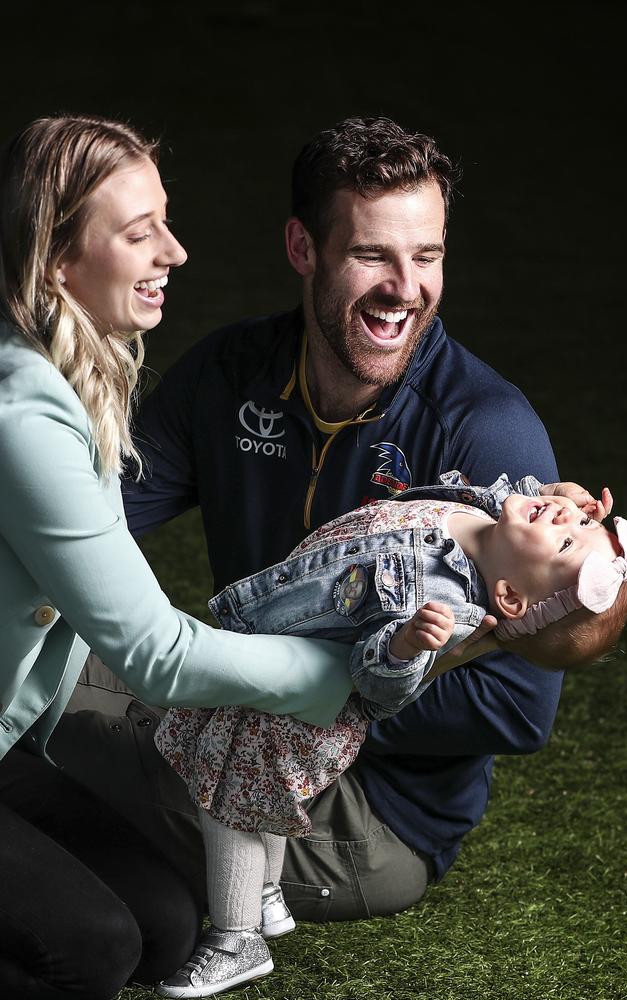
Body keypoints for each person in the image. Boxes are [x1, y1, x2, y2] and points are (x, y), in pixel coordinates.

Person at [52, 116, 569, 927]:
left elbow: (518, 708)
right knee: (42, 653)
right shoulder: (233, 371)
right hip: (235, 710)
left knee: (59, 735)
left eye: (427, 256)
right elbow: (85, 515)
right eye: (372, 254)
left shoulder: (487, 430)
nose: (406, 286)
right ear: (304, 249)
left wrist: (298, 693)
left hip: (371, 815)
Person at [0, 114, 358, 1000]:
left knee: (164, 928)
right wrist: (333, 675)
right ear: (54, 261)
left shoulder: (67, 365)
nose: (177, 251)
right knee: (89, 951)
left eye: (165, 219)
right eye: (139, 232)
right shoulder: (20, 415)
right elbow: (156, 654)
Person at [154, 470, 627, 997]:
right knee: (264, 802)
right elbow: (491, 499)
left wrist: (405, 649)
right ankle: (268, 893)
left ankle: (238, 938)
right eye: (585, 521)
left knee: (232, 805)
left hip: (293, 708)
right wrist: (555, 497)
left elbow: (379, 690)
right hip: (276, 668)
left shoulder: (446, 606)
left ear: (510, 598)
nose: (568, 518)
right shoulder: (484, 525)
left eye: (567, 540)